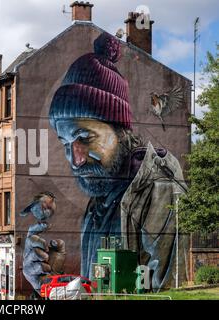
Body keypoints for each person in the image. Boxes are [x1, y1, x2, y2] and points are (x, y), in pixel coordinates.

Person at [23, 32, 188, 293]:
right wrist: (50, 281)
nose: (75, 160)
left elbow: (163, 293)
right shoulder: (102, 199)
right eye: (66, 144)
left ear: (121, 130)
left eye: (84, 137)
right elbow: (101, 289)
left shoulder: (157, 188)